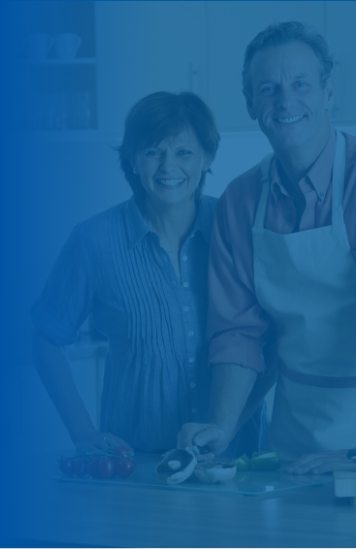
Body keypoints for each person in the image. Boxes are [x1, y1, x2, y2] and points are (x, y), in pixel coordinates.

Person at [32, 91, 264, 456]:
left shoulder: (234, 227)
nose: (168, 167)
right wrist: (82, 432)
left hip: (235, 460)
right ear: (133, 160)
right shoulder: (94, 241)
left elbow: (268, 335)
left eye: (183, 152)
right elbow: (44, 337)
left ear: (207, 158)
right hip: (137, 462)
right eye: (153, 152)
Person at [179, 21, 356, 474]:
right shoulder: (240, 202)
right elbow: (239, 332)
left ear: (328, 92)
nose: (285, 101)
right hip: (294, 440)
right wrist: (222, 424)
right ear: (251, 103)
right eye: (268, 89)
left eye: (300, 84)